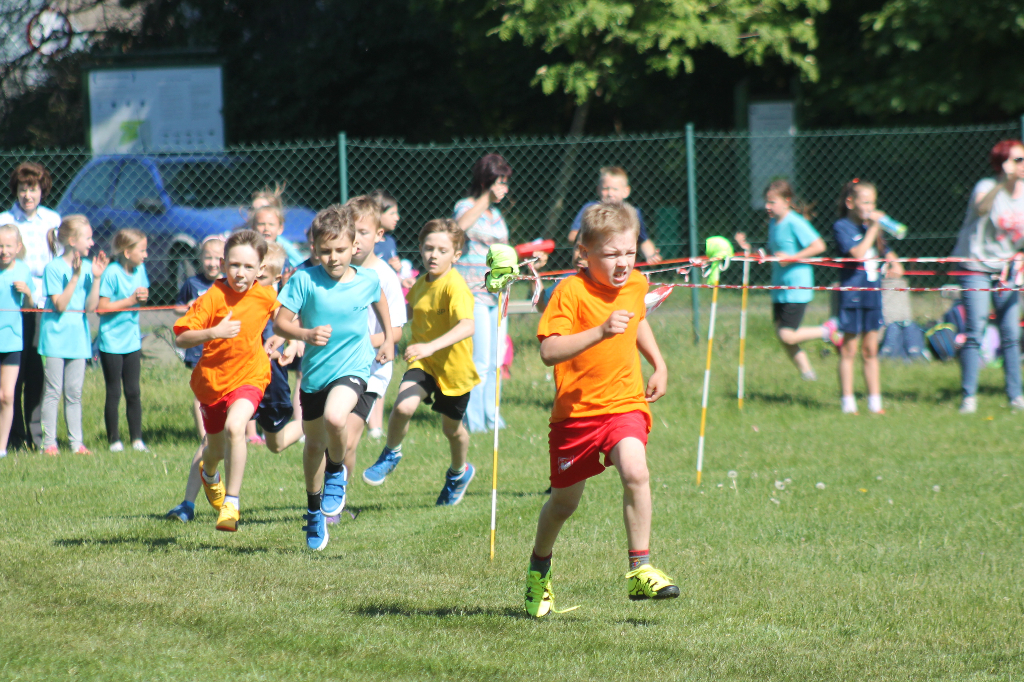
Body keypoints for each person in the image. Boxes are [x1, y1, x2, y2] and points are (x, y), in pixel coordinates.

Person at [524, 202, 677, 618]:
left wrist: (658, 363)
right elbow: (548, 351)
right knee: (563, 504)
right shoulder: (570, 293)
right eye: (611, 255)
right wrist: (599, 331)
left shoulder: (635, 283)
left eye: (629, 252)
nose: (623, 263)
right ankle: (539, 568)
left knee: (636, 470)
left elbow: (637, 318)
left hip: (623, 404)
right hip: (575, 416)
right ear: (584, 254)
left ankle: (640, 569)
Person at [274, 205, 394, 551]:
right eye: (325, 251)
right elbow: (282, 322)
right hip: (314, 375)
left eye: (340, 250)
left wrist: (387, 337)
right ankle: (314, 512)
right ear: (314, 248)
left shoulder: (367, 280)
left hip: (354, 368)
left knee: (336, 417)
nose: (333, 257)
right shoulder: (303, 280)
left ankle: (337, 471)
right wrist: (306, 334)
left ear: (354, 245)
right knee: (313, 446)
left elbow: (380, 301)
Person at [165, 242, 300, 524]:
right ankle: (210, 474)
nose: (240, 273)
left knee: (236, 427)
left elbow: (285, 320)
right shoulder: (212, 297)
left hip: (251, 376)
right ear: (224, 264)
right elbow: (181, 337)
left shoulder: (264, 295)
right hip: (213, 384)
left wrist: (294, 339)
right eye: (234, 265)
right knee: (213, 451)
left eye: (248, 267)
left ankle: (232, 502)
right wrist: (214, 331)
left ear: (260, 269)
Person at [361, 219, 479, 507]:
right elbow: (409, 312)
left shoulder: (456, 287)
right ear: (420, 249)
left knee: (452, 430)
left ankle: (459, 473)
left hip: (454, 370)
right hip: (424, 365)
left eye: (442, 250)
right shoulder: (420, 284)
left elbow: (467, 326)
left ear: (456, 255)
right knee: (402, 407)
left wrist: (429, 346)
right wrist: (386, 337)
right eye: (428, 248)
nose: (433, 255)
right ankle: (391, 452)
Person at [951, 140, 1024, 414]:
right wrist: (1002, 182)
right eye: (1018, 160)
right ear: (1003, 163)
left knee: (1011, 332)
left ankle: (1015, 396)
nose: (1023, 165)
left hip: (1007, 268)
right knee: (975, 329)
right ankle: (968, 397)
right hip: (975, 266)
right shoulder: (985, 186)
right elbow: (981, 209)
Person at [753, 179, 842, 381]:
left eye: (772, 202)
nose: (767, 206)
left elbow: (819, 246)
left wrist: (792, 258)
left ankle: (828, 330)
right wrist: (758, 253)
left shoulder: (795, 222)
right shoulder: (774, 224)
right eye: (766, 202)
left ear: (787, 201)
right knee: (782, 334)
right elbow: (776, 252)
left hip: (797, 287)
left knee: (787, 334)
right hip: (779, 288)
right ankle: (808, 374)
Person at [344, 196, 406, 470]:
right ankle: (327, 496)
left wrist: (370, 342)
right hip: (337, 365)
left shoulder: (385, 276)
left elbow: (396, 331)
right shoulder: (335, 272)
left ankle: (337, 501)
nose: (355, 240)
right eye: (350, 232)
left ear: (380, 235)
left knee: (347, 438)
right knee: (331, 438)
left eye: (363, 232)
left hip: (371, 370)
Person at [0, 162, 59, 451]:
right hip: (10, 304)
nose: (27, 195)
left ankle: (36, 433)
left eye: (32, 189)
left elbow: (56, 263)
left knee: (35, 367)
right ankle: (13, 434)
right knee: (14, 371)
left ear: (41, 190)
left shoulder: (52, 220)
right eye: (22, 189)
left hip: (40, 304)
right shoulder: (4, 220)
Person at [833, 179, 904, 415]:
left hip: (872, 294)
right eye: (865, 202)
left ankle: (875, 403)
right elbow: (857, 254)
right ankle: (848, 402)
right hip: (852, 293)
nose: (870, 207)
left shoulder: (873, 230)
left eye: (873, 202)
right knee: (849, 349)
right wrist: (874, 228)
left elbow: (894, 261)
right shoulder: (842, 226)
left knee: (871, 349)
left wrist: (894, 264)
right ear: (850, 202)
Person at [452, 153, 512, 433]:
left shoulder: (497, 215)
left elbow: (504, 249)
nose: (505, 188)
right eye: (500, 182)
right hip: (472, 292)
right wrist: (486, 197)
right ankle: (474, 421)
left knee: (496, 360)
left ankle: (492, 416)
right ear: (486, 181)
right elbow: (459, 228)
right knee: (480, 360)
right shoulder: (465, 206)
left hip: (497, 293)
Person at [40, 215, 109, 455]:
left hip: (78, 339)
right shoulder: (54, 268)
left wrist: (97, 277)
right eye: (87, 238)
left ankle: (76, 443)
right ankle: (49, 443)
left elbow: (90, 307)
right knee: (53, 390)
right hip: (55, 339)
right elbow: (60, 305)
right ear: (72, 240)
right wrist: (76, 277)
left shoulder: (89, 267)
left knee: (74, 393)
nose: (92, 243)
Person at [97, 228, 150, 452]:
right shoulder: (111, 272)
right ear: (127, 253)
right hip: (111, 342)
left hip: (132, 341)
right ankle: (114, 440)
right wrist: (129, 300)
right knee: (114, 391)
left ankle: (137, 439)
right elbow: (101, 308)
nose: (146, 255)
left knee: (133, 391)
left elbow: (142, 297)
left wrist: (143, 297)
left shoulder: (140, 270)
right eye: (142, 250)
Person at [175, 236, 224, 442]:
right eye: (208, 258)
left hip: (222, 346)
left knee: (223, 389)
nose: (213, 263)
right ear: (200, 258)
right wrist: (190, 306)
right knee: (201, 391)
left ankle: (222, 430)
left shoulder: (227, 284)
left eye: (218, 258)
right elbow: (177, 307)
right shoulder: (192, 283)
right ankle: (204, 436)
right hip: (198, 347)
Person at [567, 166, 662, 264]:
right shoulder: (590, 209)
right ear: (598, 189)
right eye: (605, 188)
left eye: (615, 189)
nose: (610, 193)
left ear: (626, 191)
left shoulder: (632, 213)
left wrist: (651, 256)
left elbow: (643, 240)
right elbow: (572, 236)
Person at [0, 224, 33, 458]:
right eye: (0, 246)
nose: (3, 250)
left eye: (8, 246)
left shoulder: (23, 270)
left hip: (12, 341)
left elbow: (30, 308)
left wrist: (28, 293)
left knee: (7, 395)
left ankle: (2, 448)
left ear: (18, 247)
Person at [251, 203, 305, 270]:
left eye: (271, 224)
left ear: (280, 229)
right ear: (253, 228)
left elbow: (299, 261)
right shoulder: (249, 251)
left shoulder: (283, 255)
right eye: (261, 224)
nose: (266, 228)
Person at [370, 189, 402, 275]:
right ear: (377, 214)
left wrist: (403, 281)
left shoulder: (390, 241)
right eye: (392, 213)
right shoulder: (368, 244)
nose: (397, 218)